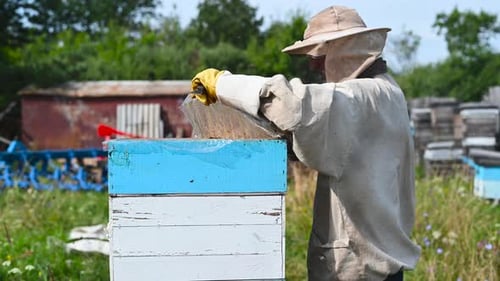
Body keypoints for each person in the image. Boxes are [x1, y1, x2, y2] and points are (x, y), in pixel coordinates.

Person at [190, 5, 421, 281]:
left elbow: (289, 104)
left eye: (318, 55)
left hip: (357, 268)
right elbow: (342, 147)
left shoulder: (354, 98)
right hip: (382, 264)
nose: (313, 64)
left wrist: (222, 84)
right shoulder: (389, 91)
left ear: (343, 50)